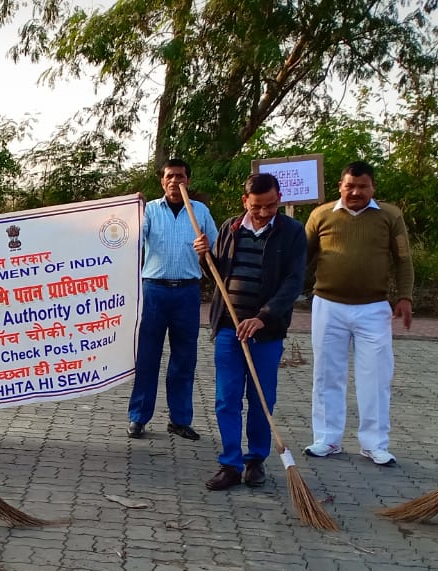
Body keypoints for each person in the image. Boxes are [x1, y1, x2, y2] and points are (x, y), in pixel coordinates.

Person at [194, 173, 305, 490]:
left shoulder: (292, 233)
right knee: (226, 398)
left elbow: (293, 283)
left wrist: (263, 317)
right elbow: (219, 274)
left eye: (271, 205)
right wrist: (204, 256)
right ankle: (230, 464)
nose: (264, 212)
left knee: (261, 398)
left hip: (265, 332)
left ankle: (255, 460)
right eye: (257, 207)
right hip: (229, 328)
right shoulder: (231, 228)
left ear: (279, 198)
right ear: (246, 202)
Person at [302, 161, 413, 466]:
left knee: (375, 377)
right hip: (327, 305)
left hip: (374, 308)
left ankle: (374, 444)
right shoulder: (320, 215)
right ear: (340, 185)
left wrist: (405, 296)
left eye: (362, 187)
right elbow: (301, 258)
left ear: (372, 188)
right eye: (349, 186)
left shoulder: (390, 216)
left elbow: (403, 260)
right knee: (326, 374)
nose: (355, 192)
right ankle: (327, 438)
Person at [128, 158, 217, 441]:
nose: (174, 182)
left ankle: (179, 419)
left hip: (188, 293)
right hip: (154, 290)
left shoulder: (200, 212)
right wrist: (133, 212)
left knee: (184, 358)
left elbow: (215, 249)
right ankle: (138, 417)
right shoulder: (150, 211)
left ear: (188, 180)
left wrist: (206, 249)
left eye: (180, 176)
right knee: (147, 357)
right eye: (169, 177)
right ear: (162, 181)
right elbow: (131, 240)